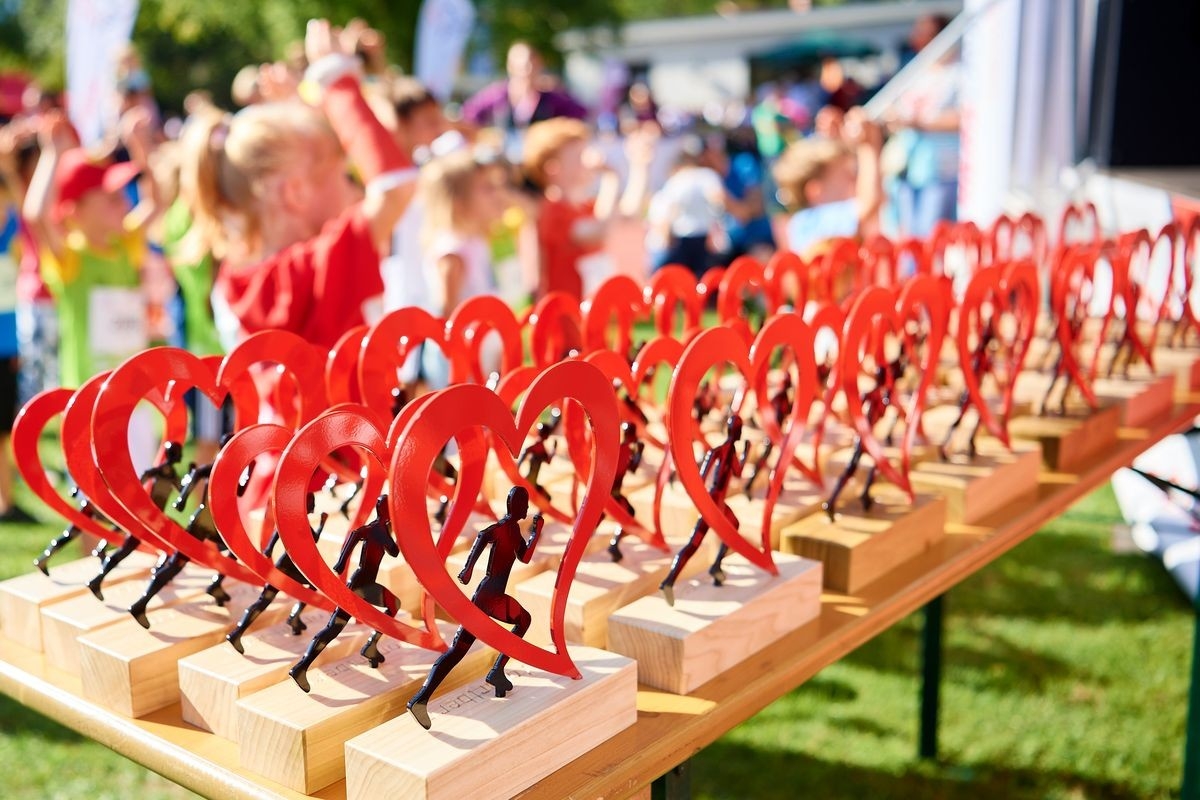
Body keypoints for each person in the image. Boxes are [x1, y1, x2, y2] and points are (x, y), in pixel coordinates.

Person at [186, 19, 416, 352]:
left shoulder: (235, 283)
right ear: (295, 193)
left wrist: (298, 110)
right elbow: (395, 186)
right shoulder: (321, 264)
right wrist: (336, 79)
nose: (356, 190)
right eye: (343, 175)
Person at [23, 113, 157, 389]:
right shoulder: (70, 258)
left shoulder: (125, 244)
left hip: (134, 390)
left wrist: (139, 144)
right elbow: (36, 215)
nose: (124, 202)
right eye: (111, 198)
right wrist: (53, 153)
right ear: (76, 211)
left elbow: (156, 201)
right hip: (88, 395)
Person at [407, 487, 543, 730]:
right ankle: (422, 698)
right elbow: (482, 536)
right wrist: (468, 568)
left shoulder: (513, 531)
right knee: (459, 650)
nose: (525, 509)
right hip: (488, 597)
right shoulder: (502, 528)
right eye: (523, 505)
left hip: (494, 596)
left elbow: (524, 557)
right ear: (516, 507)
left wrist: (535, 534)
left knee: (520, 622)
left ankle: (496, 671)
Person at [523, 118, 653, 300]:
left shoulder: (583, 206)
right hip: (563, 313)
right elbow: (599, 231)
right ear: (553, 168)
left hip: (586, 310)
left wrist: (640, 166)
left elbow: (628, 215)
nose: (588, 160)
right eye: (578, 155)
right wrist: (611, 180)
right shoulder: (551, 210)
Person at [415, 147, 505, 387]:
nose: (498, 194)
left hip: (480, 351)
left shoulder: (474, 240)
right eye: (487, 189)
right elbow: (447, 309)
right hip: (460, 360)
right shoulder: (453, 249)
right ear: (458, 202)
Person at [885, 15, 960, 238]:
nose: (917, 40)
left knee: (932, 238)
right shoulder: (916, 72)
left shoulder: (960, 73)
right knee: (910, 238)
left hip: (941, 170)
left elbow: (966, 118)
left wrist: (918, 122)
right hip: (908, 170)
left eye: (924, 35)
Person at [773, 108, 882, 256]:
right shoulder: (807, 222)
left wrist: (842, 137)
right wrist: (869, 145)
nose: (854, 179)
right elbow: (868, 205)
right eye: (845, 176)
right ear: (815, 191)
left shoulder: (806, 221)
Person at [462, 42, 587, 133]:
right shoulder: (497, 95)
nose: (526, 72)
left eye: (531, 66)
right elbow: (469, 114)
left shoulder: (550, 97)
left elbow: (580, 114)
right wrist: (486, 135)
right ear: (510, 67)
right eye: (521, 67)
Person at [646, 135, 725, 278]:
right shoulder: (707, 176)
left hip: (682, 237)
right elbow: (718, 201)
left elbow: (668, 209)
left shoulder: (677, 179)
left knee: (678, 281)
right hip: (697, 238)